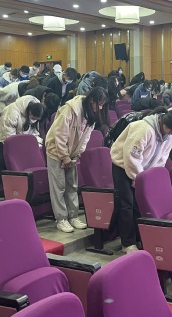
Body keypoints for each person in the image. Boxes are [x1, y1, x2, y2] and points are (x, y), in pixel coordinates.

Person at [111, 109, 172, 253]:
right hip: (123, 166)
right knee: (126, 204)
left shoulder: (169, 136)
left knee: (140, 204)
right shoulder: (143, 128)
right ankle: (127, 243)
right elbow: (131, 156)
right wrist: (137, 177)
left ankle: (139, 238)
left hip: (142, 171)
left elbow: (161, 159)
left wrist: (148, 178)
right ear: (164, 122)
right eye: (171, 130)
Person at [45, 87, 108, 233]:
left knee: (72, 186)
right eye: (99, 104)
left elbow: (86, 137)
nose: (100, 108)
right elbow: (60, 135)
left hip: (72, 153)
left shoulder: (91, 113)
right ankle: (61, 219)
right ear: (91, 100)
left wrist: (77, 153)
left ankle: (73, 216)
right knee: (59, 187)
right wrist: (64, 156)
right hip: (56, 151)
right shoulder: (70, 109)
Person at [0, 96, 45, 188]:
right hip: (6, 139)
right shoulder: (12, 112)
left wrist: (37, 143)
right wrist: (21, 147)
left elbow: (34, 132)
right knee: (6, 163)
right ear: (29, 112)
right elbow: (9, 137)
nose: (34, 120)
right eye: (33, 118)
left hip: (22, 141)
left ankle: (25, 186)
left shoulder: (38, 109)